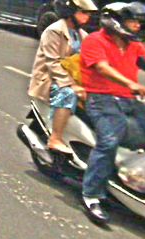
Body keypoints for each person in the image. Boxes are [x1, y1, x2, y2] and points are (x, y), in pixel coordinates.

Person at [79, 2, 145, 224]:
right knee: (109, 142)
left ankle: (135, 184)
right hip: (101, 99)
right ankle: (91, 194)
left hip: (129, 100)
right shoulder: (95, 40)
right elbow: (102, 67)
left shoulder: (133, 45)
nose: (137, 26)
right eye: (132, 21)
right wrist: (131, 84)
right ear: (115, 22)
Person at [27, 0, 98, 154]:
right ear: (70, 12)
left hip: (73, 77)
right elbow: (52, 63)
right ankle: (55, 138)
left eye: (88, 13)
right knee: (67, 94)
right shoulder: (54, 31)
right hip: (50, 78)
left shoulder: (82, 35)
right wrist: (72, 85)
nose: (87, 17)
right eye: (83, 12)